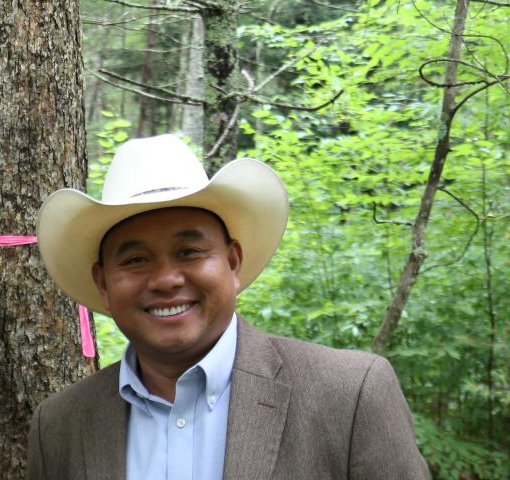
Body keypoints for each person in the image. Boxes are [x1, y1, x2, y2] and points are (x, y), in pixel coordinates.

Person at [25, 135, 428, 479]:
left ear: (233, 263)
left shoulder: (349, 395)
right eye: (135, 260)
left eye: (189, 251)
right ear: (103, 284)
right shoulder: (59, 427)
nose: (166, 279)